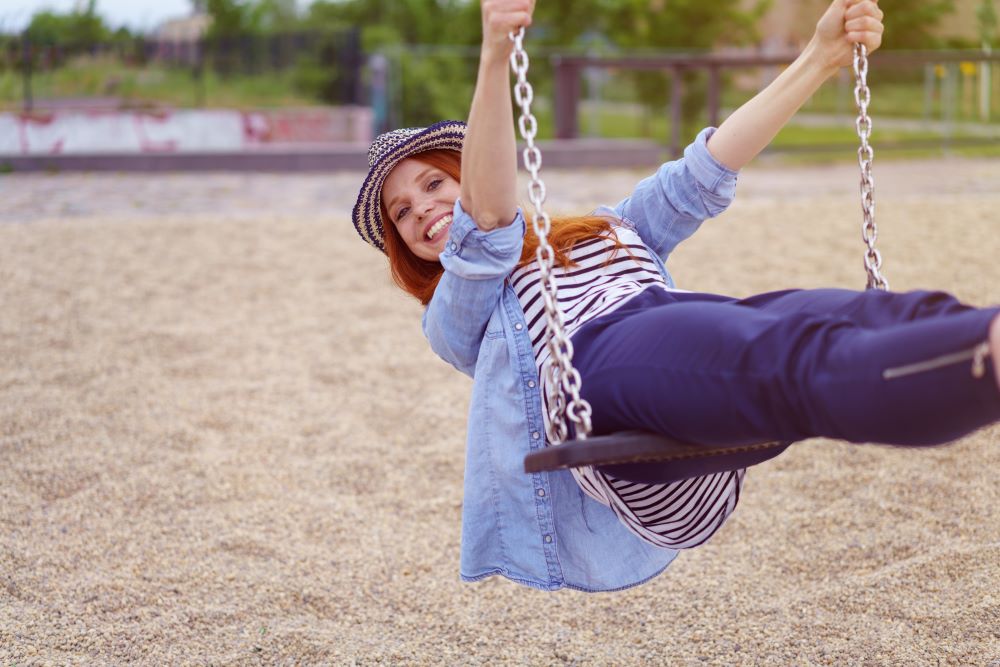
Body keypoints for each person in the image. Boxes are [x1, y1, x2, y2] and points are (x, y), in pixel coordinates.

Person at [352, 0, 1000, 592]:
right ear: (406, 248)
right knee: (790, 355)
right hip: (601, 378)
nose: (423, 212)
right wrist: (496, 53)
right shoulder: (456, 314)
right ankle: (984, 357)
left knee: (860, 314)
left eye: (435, 185)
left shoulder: (608, 227)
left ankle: (979, 335)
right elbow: (488, 226)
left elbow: (706, 169)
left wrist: (820, 57)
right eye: (403, 214)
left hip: (681, 352)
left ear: (461, 175)